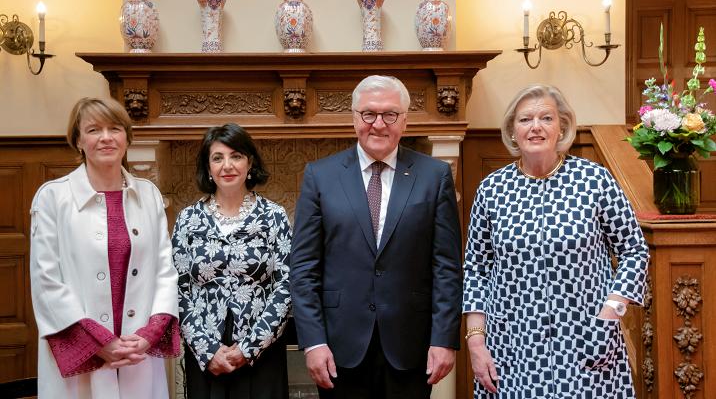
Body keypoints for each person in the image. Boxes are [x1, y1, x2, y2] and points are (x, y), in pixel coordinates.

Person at [463, 84, 650, 398]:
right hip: (512, 349)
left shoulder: (595, 180)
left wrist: (611, 312)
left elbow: (634, 249)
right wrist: (475, 341)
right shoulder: (492, 190)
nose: (536, 127)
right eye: (525, 120)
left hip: (589, 340)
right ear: (512, 130)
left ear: (562, 125)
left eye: (546, 118)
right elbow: (476, 270)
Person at [290, 75, 463, 399]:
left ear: (405, 120)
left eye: (390, 114)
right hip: (339, 349)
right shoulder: (320, 176)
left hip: (411, 348)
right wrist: (313, 341)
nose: (378, 124)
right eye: (369, 113)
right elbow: (304, 268)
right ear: (355, 117)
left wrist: (444, 339)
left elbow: (447, 268)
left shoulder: (434, 176)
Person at [30, 97, 181, 398]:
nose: (106, 138)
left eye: (115, 128)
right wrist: (101, 343)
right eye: (94, 130)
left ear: (127, 138)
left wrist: (148, 335)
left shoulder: (148, 194)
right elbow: (46, 283)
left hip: (137, 351)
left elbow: (165, 269)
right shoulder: (52, 198)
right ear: (78, 140)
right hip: (83, 352)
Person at [171, 123, 292, 399]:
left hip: (262, 351)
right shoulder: (188, 220)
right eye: (217, 157)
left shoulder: (274, 216)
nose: (227, 165)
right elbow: (177, 287)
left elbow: (286, 285)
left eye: (236, 156)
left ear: (249, 163)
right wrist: (206, 349)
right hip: (207, 353)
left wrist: (248, 348)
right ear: (208, 168)